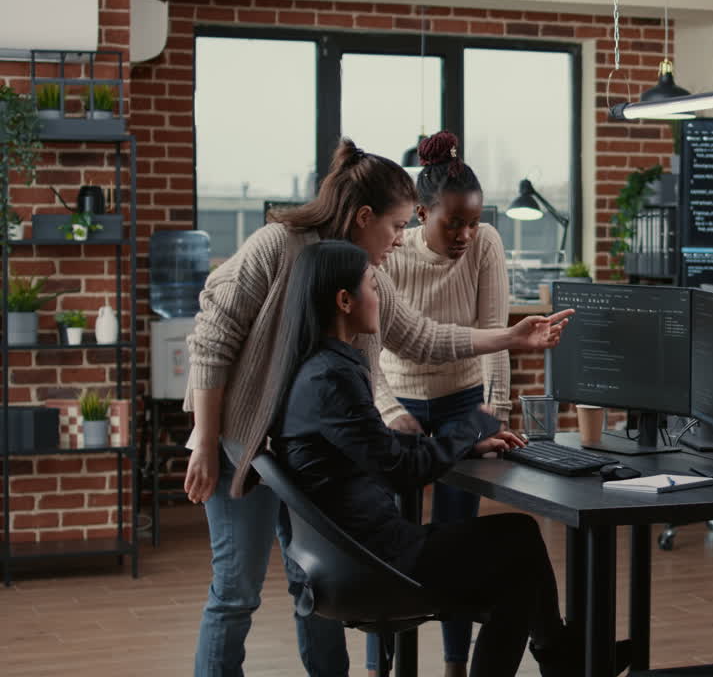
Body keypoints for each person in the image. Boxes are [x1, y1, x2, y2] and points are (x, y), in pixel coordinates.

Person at [182, 138, 572, 677]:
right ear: (364, 217)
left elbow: (424, 339)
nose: (400, 239)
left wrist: (509, 338)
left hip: (298, 448)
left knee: (311, 583)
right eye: (395, 226)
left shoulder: (364, 272)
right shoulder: (280, 245)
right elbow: (212, 337)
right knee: (236, 592)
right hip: (239, 441)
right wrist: (204, 440)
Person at [268, 240, 582, 677]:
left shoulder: (314, 368)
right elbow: (401, 470)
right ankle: (562, 659)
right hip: (374, 562)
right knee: (520, 543)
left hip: (349, 555)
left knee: (515, 568)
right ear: (344, 301)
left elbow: (383, 450)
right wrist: (474, 424)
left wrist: (462, 444)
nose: (380, 297)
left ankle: (561, 658)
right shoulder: (333, 377)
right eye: (373, 287)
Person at [362, 132, 508, 675]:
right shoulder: (389, 251)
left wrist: (496, 414)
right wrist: (388, 411)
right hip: (397, 402)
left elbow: (496, 334)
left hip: (463, 400)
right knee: (391, 546)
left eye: (474, 221)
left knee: (457, 544)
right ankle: (383, 665)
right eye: (454, 224)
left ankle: (453, 664)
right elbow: (368, 352)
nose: (467, 234)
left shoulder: (485, 244)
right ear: (421, 213)